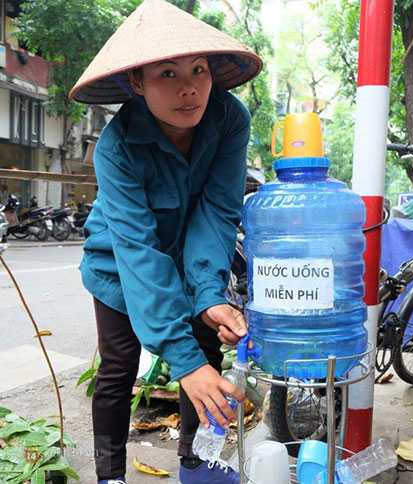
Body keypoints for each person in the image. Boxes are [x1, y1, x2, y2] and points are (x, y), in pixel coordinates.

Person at [69, 1, 262, 483]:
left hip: (192, 253)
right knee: (119, 366)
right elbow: (138, 252)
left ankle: (196, 460)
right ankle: (110, 474)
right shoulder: (116, 147)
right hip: (119, 260)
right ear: (137, 82)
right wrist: (182, 361)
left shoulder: (229, 120)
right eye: (168, 74)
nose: (189, 88)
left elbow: (216, 212)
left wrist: (209, 294)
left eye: (199, 70)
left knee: (205, 345)